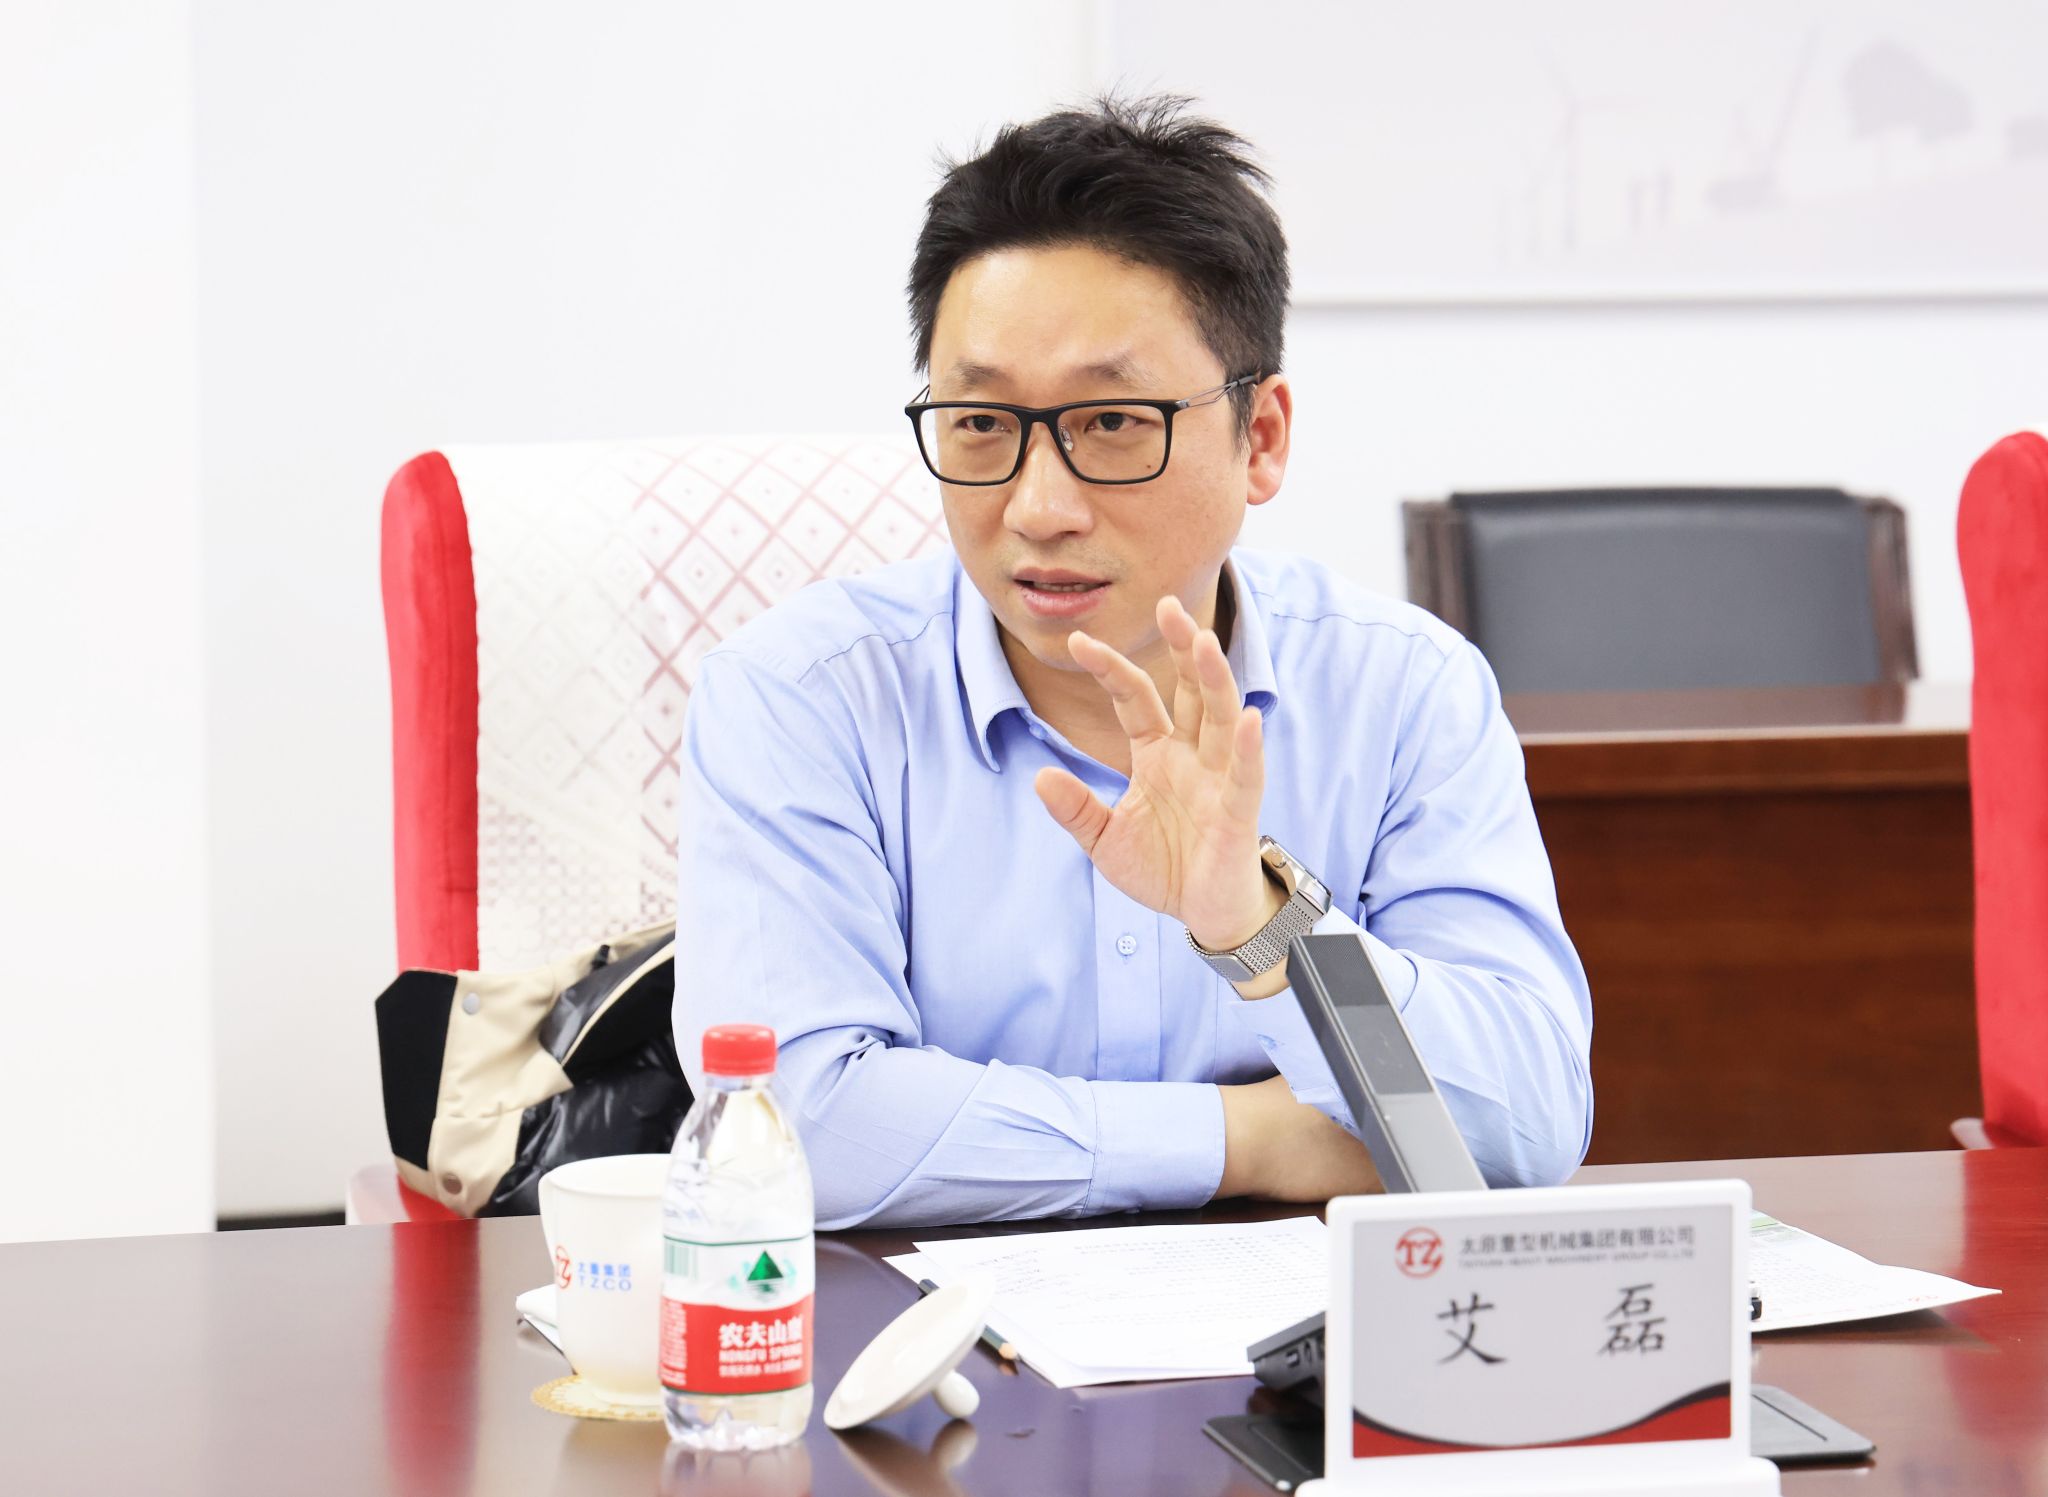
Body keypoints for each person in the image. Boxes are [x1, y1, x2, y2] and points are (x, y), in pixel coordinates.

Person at [673, 95, 1591, 1229]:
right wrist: (1247, 1139)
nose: (1037, 507)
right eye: (979, 424)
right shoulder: (801, 699)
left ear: (1260, 439)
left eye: (1111, 422)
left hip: (1315, 1331)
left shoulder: (1403, 692)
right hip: (928, 1337)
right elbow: (792, 1129)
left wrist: (1262, 929)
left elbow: (1525, 1119)